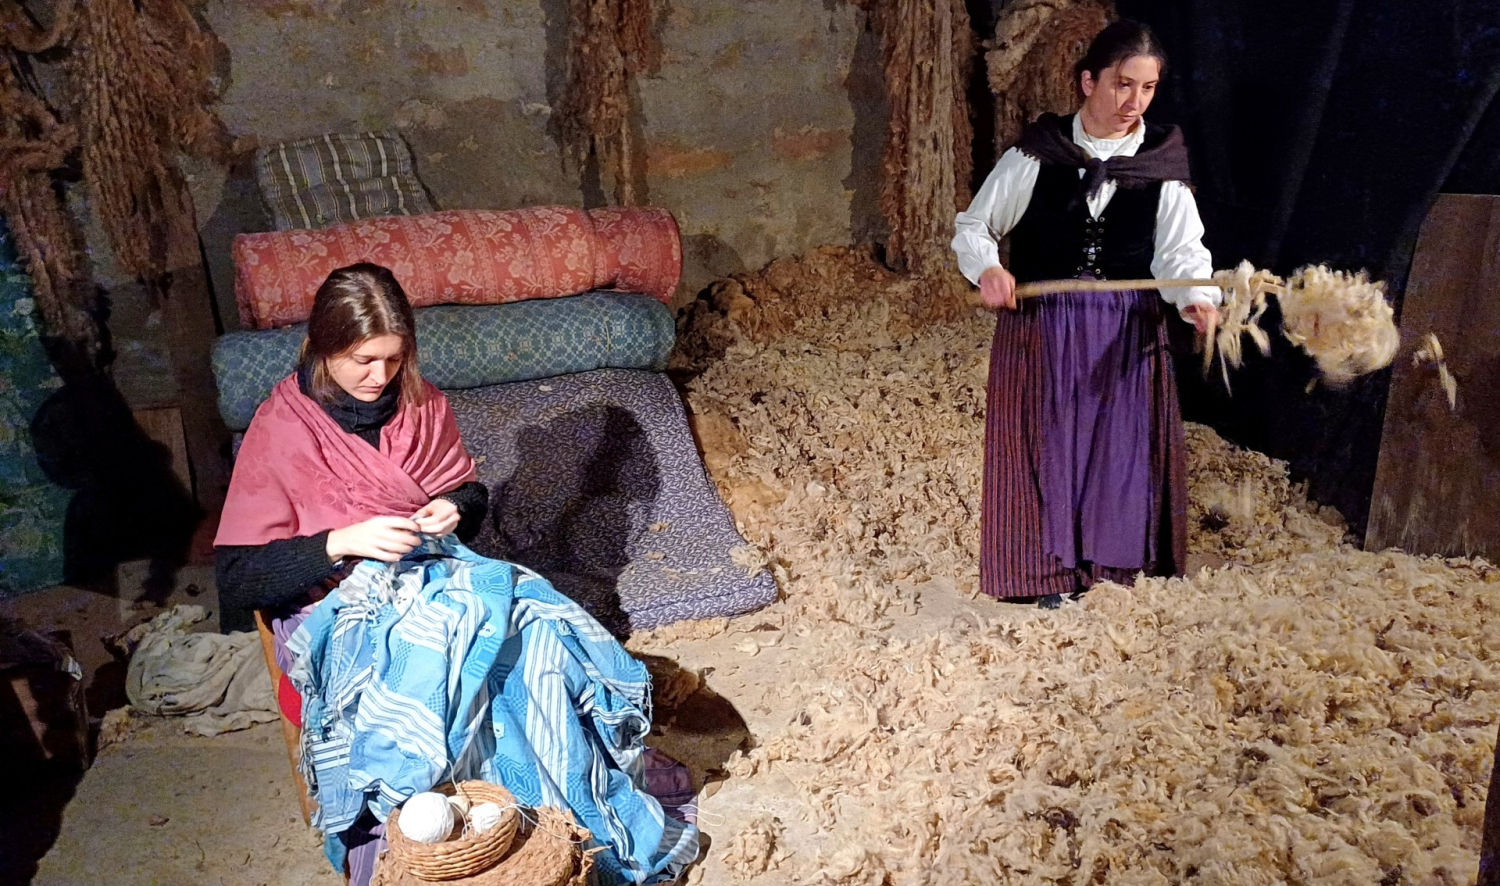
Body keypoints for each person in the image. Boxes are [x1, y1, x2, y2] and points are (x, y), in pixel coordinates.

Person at [214, 263, 697, 885]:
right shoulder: (282, 431)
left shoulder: (421, 403)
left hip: (435, 573)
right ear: (323, 347)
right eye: (362, 360)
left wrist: (455, 507)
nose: (379, 377)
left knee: (538, 645)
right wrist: (340, 541)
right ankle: (441, 849)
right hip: (341, 602)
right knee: (439, 670)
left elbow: (465, 497)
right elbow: (236, 577)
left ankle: (551, 831)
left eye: (393, 358)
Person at [951, 20, 1219, 609]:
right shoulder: (1037, 154)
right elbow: (975, 226)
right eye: (1123, 85)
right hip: (1044, 328)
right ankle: (1045, 575)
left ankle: (1113, 573)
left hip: (1125, 328)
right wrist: (989, 269)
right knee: (1049, 443)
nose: (1134, 103)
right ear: (1088, 81)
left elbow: (1181, 252)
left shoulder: (1160, 161)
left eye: (1147, 89)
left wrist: (1197, 298)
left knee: (1119, 448)